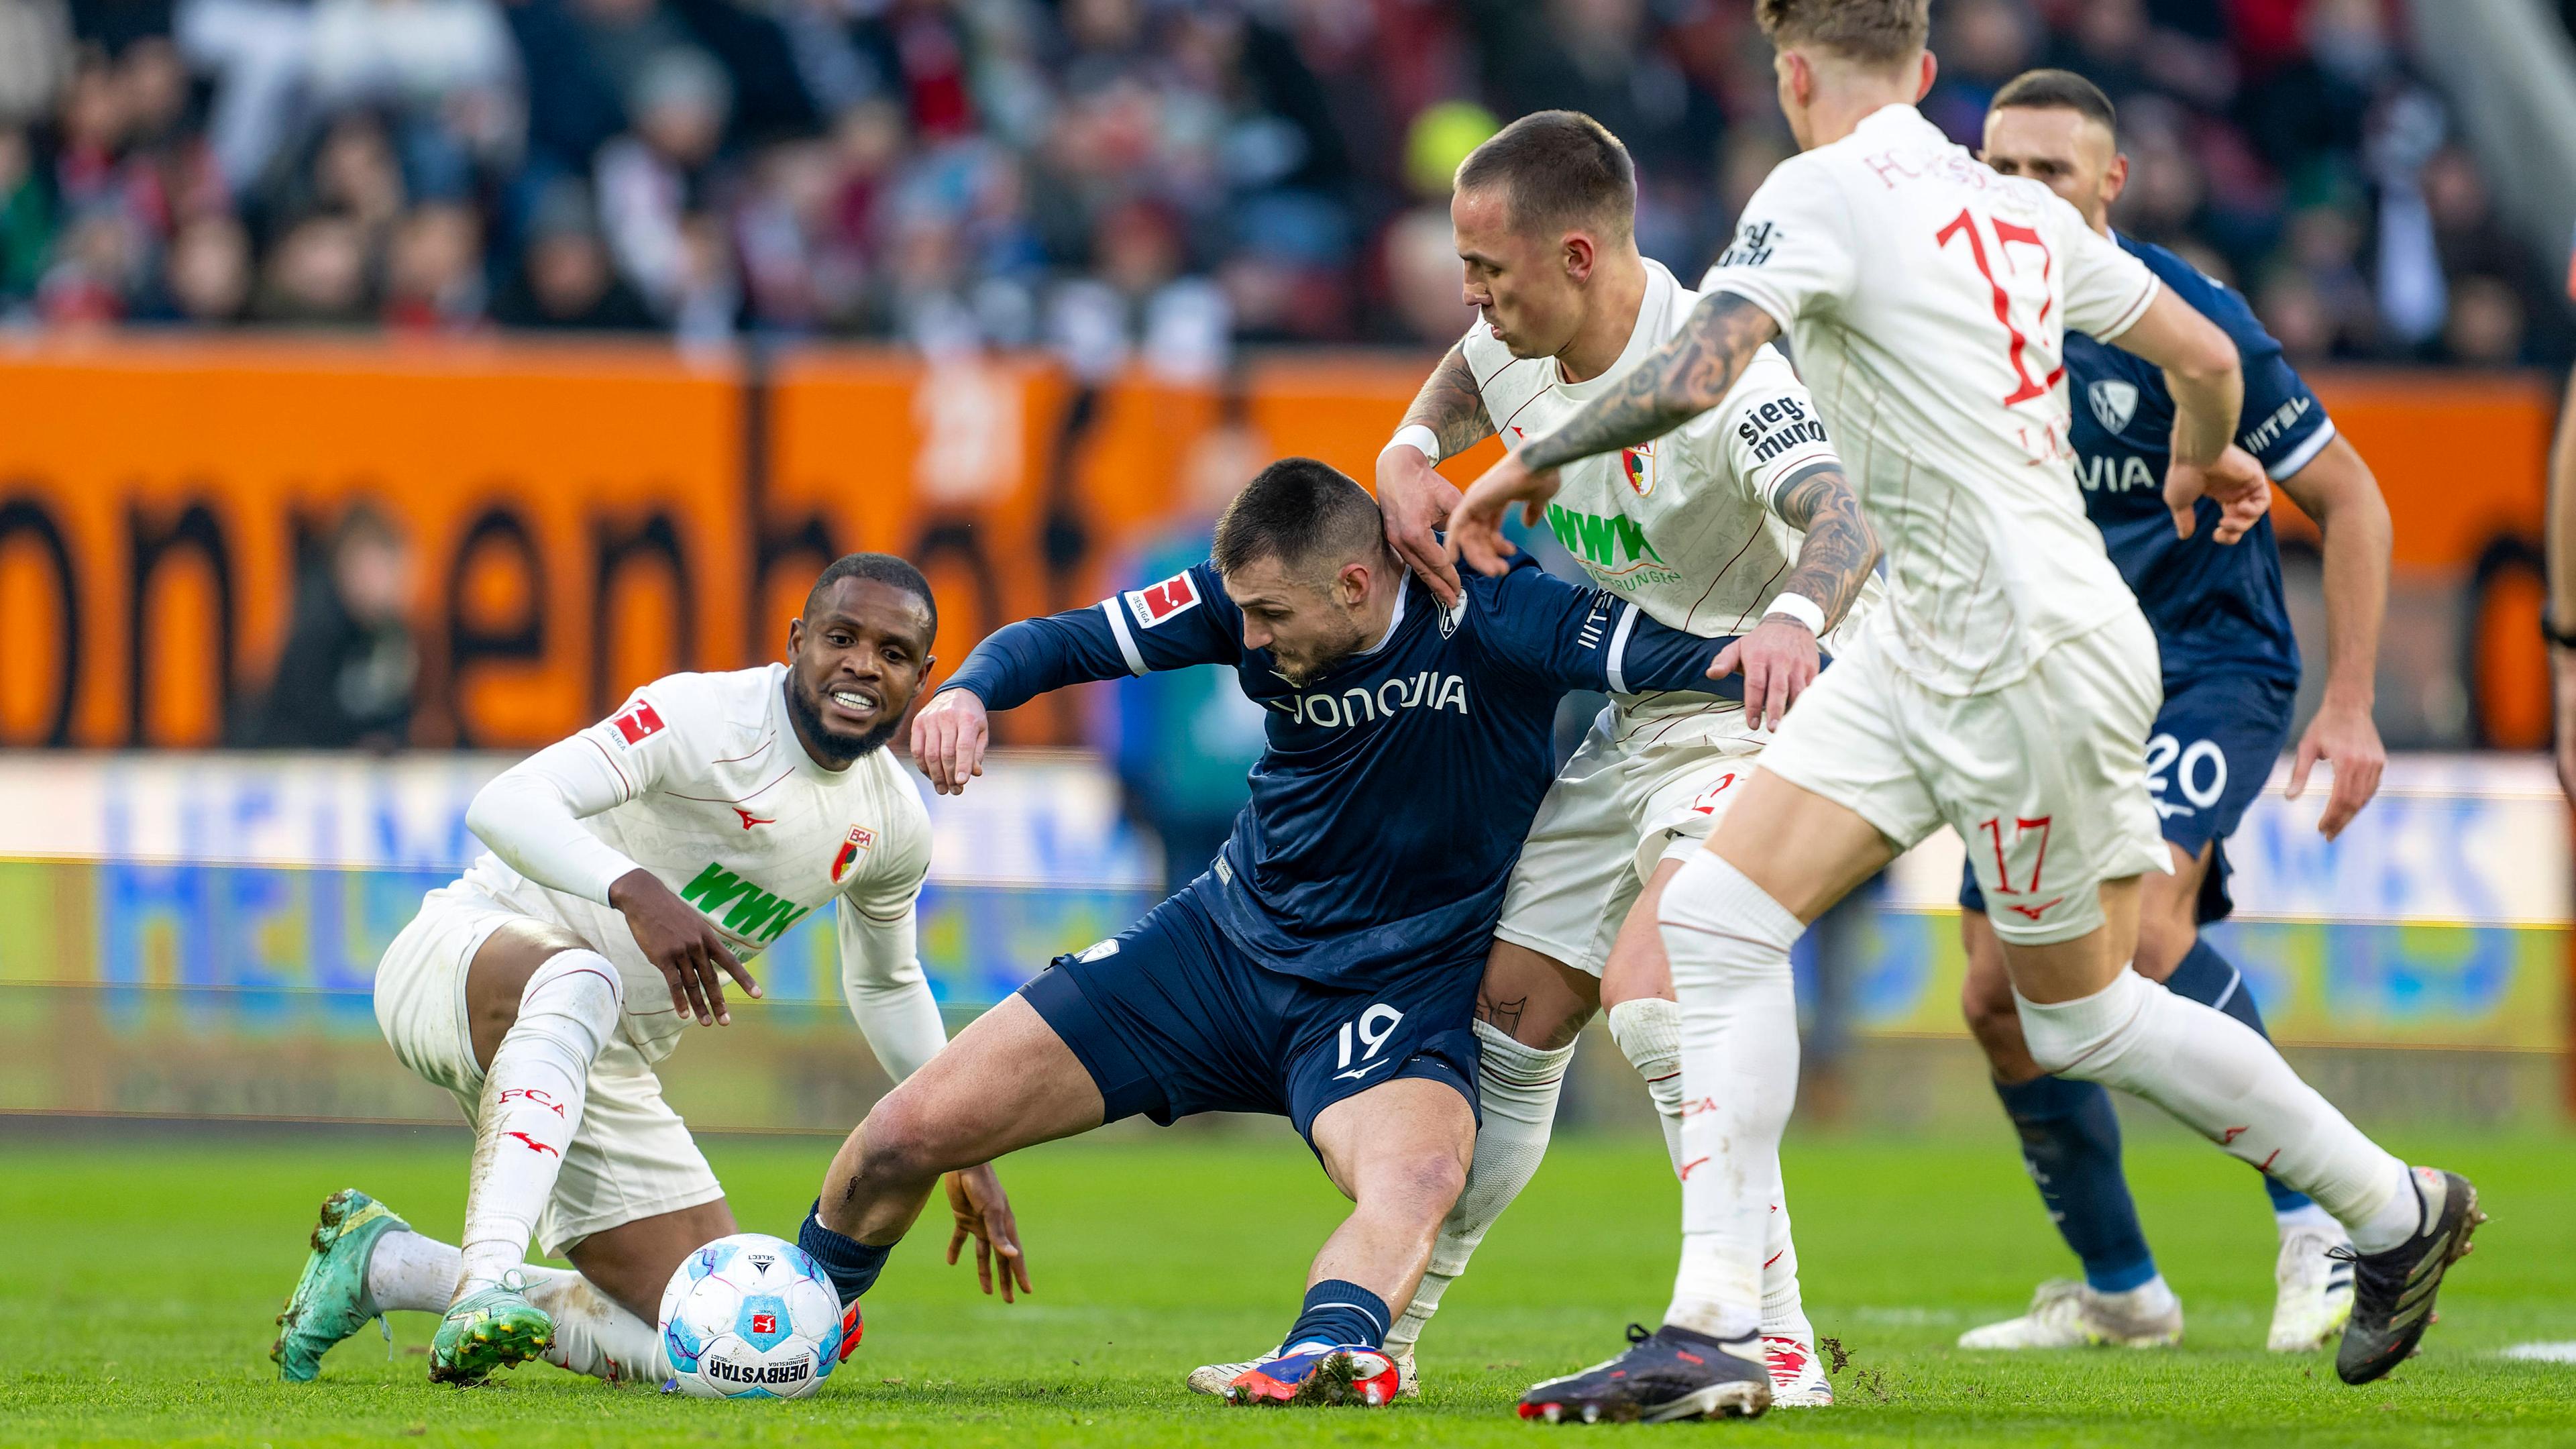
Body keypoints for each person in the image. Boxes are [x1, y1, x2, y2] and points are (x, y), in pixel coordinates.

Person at [1450, 0, 2478, 1419]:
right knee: (1717, 919)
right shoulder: (2010, 208)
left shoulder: (1816, 191)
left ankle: (2390, 1206)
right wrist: (2198, 463)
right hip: (1930, 640)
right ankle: (1729, 1331)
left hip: (2016, 651)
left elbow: (1699, 370)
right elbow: (2210, 358)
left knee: (2084, 1019)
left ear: (1791, 70)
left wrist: (1525, 462)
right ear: (1928, 76)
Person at [792, 459, 1753, 1409]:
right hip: (1214, 955)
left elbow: (1688, 658)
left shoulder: (1506, 611)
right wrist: (967, 690)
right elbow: (1068, 640)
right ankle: (792, 1313)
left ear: (1353, 582)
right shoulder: (1243, 596)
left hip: (1395, 989)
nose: (1246, 637)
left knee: (1420, 1174)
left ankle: (1322, 1357)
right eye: (1241, 612)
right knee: (907, 1133)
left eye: (1269, 618)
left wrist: (1825, 670)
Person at [1332, 108, 1882, 1411]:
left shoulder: (1725, 373)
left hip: (1760, 705)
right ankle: (1384, 1342)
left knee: (1661, 985)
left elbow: (1841, 522)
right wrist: (1409, 446)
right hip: (1638, 720)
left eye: (1489, 272)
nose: (1471, 299)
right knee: (1507, 1020)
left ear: (1579, 256)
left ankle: (1764, 1337)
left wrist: (1799, 623)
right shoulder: (1520, 338)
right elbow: (1467, 375)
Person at [270, 554, 1024, 1388]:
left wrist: (961, 1138)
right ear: (797, 640)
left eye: (891, 653)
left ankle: (386, 1267)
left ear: (922, 677)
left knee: (732, 1353)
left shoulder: (889, 822)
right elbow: (504, 803)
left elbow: (885, 983)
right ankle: (483, 1283)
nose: (861, 665)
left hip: (606, 1070)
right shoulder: (702, 718)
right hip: (459, 960)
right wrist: (634, 892)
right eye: (841, 637)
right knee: (582, 979)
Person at [1957, 68, 2396, 1356]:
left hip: (2205, 664)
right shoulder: (1959, 323)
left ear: (2111, 185)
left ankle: (2321, 1218)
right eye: (2001, 168)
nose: (2022, 192)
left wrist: (2354, 705)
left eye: (2050, 171)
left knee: (2147, 924)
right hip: (2040, 685)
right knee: (1993, 995)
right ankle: (2123, 1291)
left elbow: (2356, 503)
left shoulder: (2187, 318)